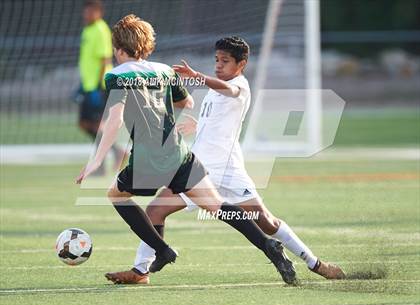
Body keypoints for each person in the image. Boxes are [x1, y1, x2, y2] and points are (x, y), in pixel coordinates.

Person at [104, 36, 346, 285]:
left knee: (156, 210)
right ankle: (315, 264)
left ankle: (141, 271)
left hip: (212, 167)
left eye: (226, 61)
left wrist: (197, 76)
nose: (219, 65)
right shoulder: (216, 87)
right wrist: (199, 126)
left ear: (241, 64)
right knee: (265, 220)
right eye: (217, 60)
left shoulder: (239, 86)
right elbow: (221, 121)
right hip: (226, 167)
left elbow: (229, 92)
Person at [76, 15, 297, 285]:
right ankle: (268, 246)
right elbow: (188, 102)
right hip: (180, 155)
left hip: (149, 160)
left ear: (120, 50)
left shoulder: (116, 75)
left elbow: (115, 120)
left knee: (117, 195)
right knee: (218, 206)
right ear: (146, 46)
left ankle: (163, 250)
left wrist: (95, 161)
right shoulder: (164, 70)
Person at [78, 0, 124, 174]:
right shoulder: (87, 30)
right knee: (84, 123)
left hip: (100, 85)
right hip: (87, 84)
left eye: (91, 11)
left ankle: (101, 164)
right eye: (86, 11)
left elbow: (105, 59)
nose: (87, 14)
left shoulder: (101, 29)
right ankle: (117, 151)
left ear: (99, 12)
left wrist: (98, 86)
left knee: (98, 124)